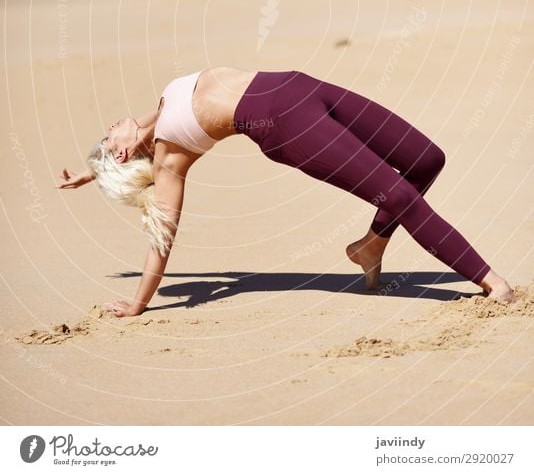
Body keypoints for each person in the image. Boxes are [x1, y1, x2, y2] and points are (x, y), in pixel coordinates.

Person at [56, 67, 515, 315]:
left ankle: (371, 245)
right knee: (396, 194)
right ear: (120, 154)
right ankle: (490, 281)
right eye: (108, 134)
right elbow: (161, 240)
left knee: (426, 159)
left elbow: (136, 131)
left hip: (303, 86)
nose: (112, 125)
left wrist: (91, 172)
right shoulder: (170, 159)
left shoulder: (157, 110)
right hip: (286, 126)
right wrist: (138, 303)